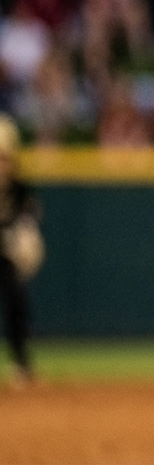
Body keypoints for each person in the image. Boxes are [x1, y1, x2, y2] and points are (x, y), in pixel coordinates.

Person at [0, 114, 41, 387]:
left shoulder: (18, 188)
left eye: (5, 159)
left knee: (16, 298)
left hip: (5, 258)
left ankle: (22, 366)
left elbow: (31, 216)